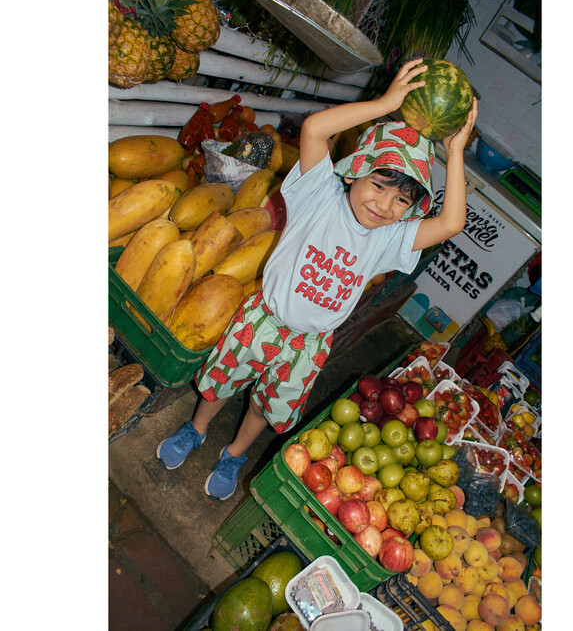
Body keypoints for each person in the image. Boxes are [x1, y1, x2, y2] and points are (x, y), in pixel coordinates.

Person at [156, 59, 478, 500]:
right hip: (264, 319)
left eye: (402, 199)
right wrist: (386, 104)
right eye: (379, 185)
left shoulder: (389, 238)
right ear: (356, 170)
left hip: (308, 345)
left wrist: (455, 152)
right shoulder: (319, 194)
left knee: (266, 406)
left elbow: (451, 223)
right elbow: (314, 130)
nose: (385, 205)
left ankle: (234, 453)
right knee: (222, 384)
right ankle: (196, 429)